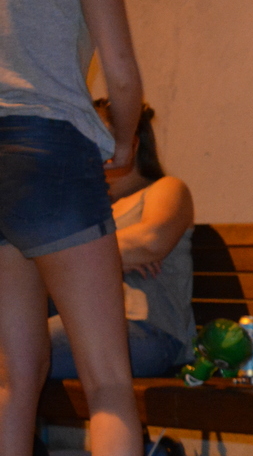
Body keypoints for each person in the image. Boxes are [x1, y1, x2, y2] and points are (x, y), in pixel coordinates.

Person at [0, 0, 155, 456]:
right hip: (50, 149)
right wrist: (123, 141)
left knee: (13, 377)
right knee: (108, 379)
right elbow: (119, 70)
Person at [48, 100, 195, 380]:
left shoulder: (165, 189)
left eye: (95, 136)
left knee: (18, 352)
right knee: (16, 345)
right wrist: (111, 259)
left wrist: (76, 260)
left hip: (144, 328)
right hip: (81, 323)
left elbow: (150, 241)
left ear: (132, 145)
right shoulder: (85, 209)